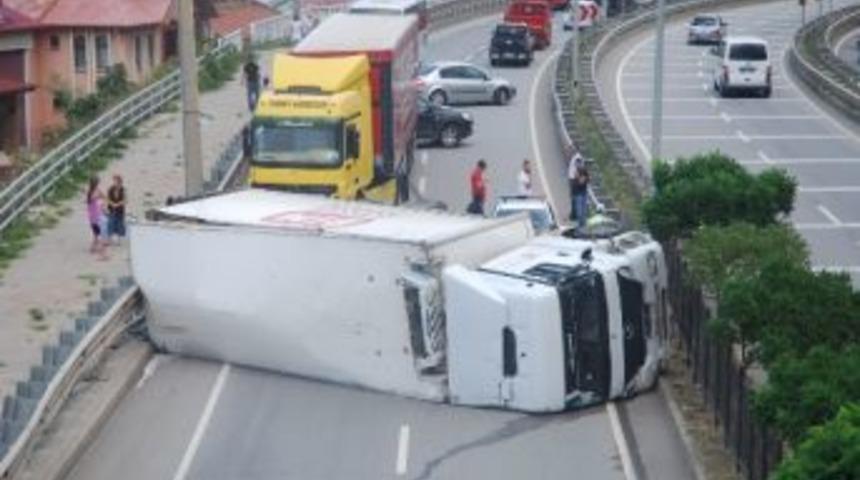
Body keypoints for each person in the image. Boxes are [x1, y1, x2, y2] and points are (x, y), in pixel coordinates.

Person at [86, 176, 107, 258]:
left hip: (92, 216)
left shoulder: (90, 192)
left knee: (96, 233)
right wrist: (101, 202)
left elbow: (102, 197)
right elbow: (102, 196)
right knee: (101, 233)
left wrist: (101, 202)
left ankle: (93, 248)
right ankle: (101, 250)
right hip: (96, 216)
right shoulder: (95, 192)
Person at [106, 174, 126, 245]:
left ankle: (119, 241)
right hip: (111, 209)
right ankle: (109, 240)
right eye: (113, 180)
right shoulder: (110, 189)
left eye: (115, 181)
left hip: (120, 210)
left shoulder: (123, 189)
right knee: (110, 223)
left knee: (120, 224)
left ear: (119, 181)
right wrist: (112, 204)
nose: (114, 182)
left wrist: (117, 204)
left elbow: (124, 200)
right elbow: (108, 199)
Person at [572, 164, 590, 230]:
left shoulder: (583, 178)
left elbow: (581, 183)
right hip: (578, 195)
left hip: (581, 195)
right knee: (579, 212)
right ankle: (581, 225)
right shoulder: (576, 179)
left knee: (582, 212)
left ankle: (583, 225)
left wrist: (581, 178)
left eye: (576, 172)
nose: (575, 173)